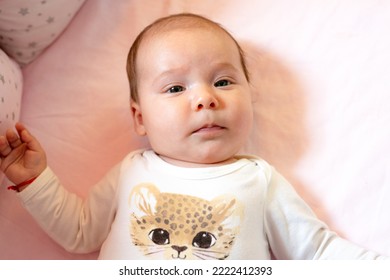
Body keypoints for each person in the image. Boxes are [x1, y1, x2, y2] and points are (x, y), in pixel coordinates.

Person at [0, 13, 388, 260]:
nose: (205, 98)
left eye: (222, 81)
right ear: (140, 119)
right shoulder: (132, 171)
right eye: (174, 89)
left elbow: (317, 251)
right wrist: (36, 180)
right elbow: (79, 231)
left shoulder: (259, 178)